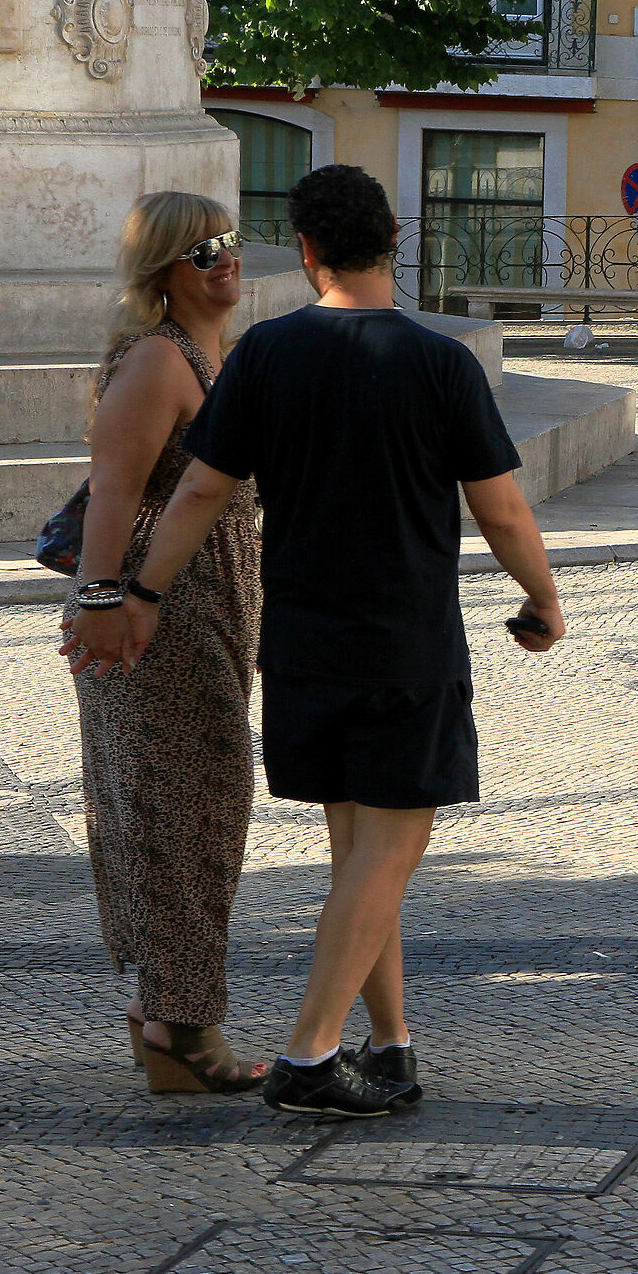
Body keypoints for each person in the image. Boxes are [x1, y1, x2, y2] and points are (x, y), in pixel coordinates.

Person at [78, 163, 568, 1119]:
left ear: (304, 253)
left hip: (297, 641)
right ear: (394, 240)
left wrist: (140, 592)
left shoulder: (265, 356)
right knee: (390, 847)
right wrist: (542, 598)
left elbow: (201, 491)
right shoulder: (440, 363)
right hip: (403, 644)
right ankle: (310, 1057)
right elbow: (502, 508)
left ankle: (390, 1045)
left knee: (358, 849)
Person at [57, 192, 267, 1095]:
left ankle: (167, 1015)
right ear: (166, 271)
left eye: (232, 242)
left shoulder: (208, 356)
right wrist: (105, 600)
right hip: (157, 611)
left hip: (207, 605)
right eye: (205, 249)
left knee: (202, 805)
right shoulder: (155, 360)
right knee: (178, 814)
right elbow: (112, 491)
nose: (227, 260)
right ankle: (183, 1029)